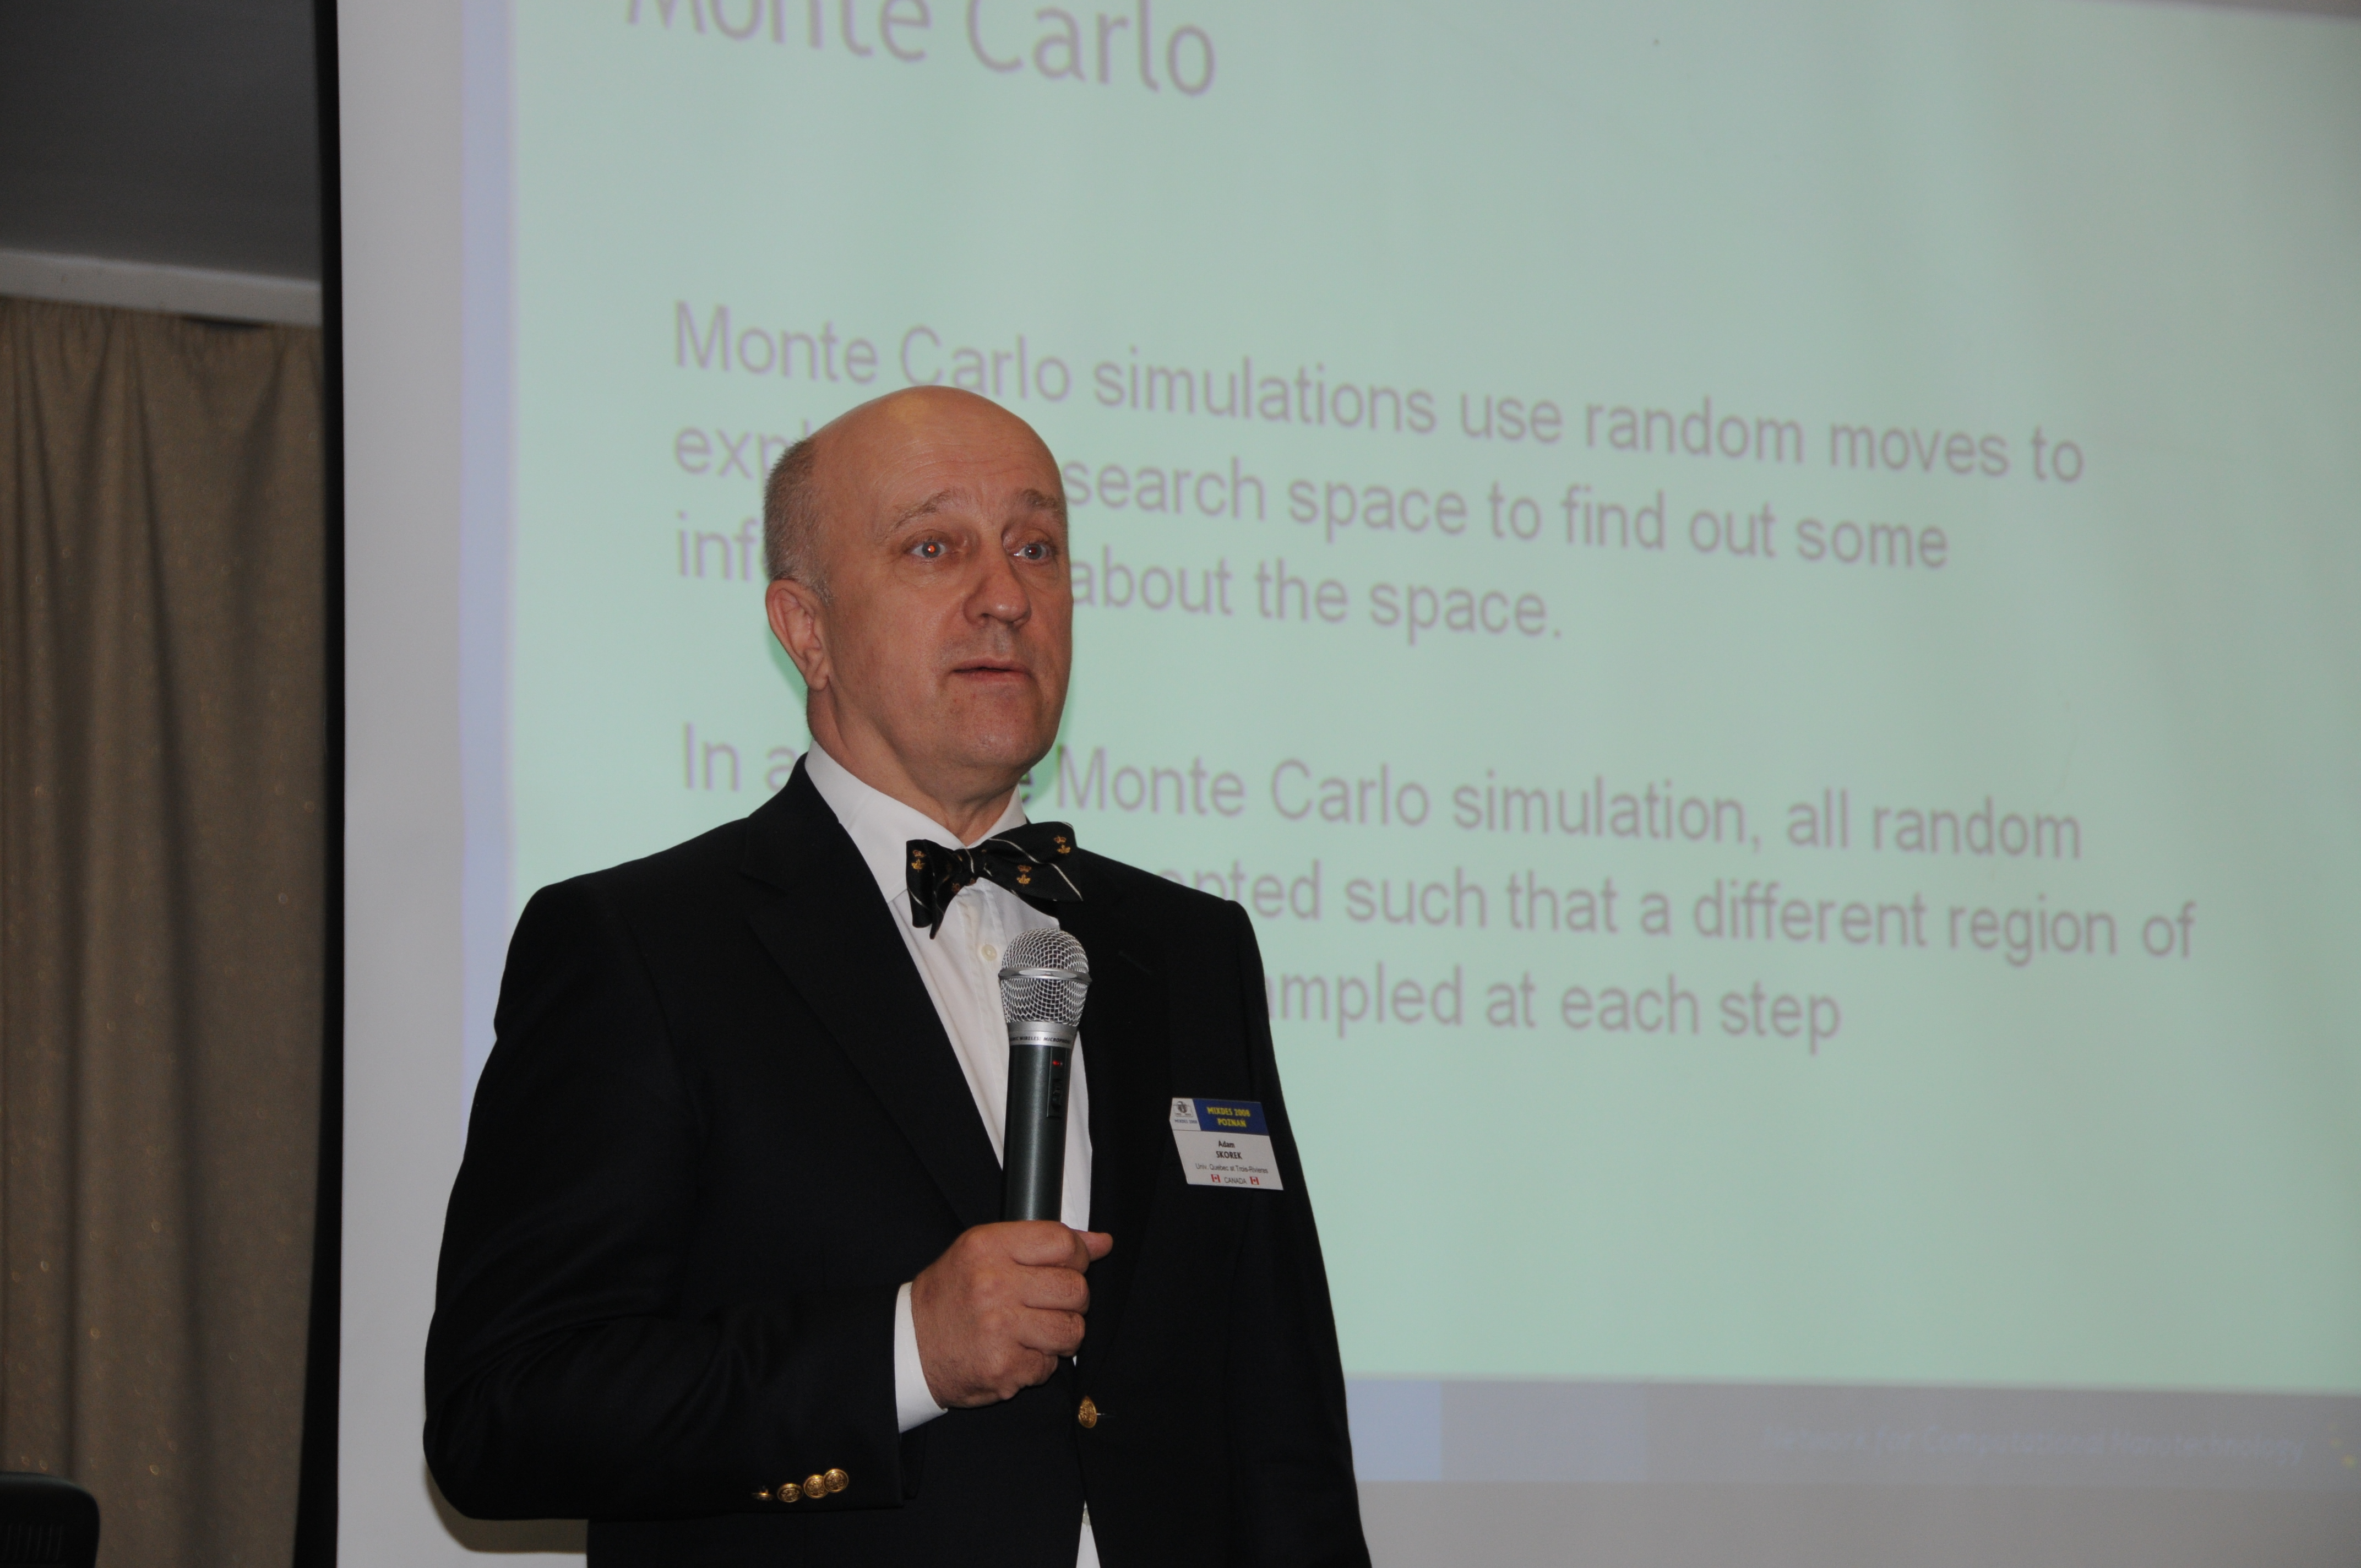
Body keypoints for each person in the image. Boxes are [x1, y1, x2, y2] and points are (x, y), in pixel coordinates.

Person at [423, 386, 1370, 1566]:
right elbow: (503, 1412)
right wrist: (905, 1350)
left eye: (1036, 547)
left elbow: (1282, 1419)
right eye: (934, 547)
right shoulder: (641, 946)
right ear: (805, 629)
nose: (1006, 595)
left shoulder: (1188, 949)